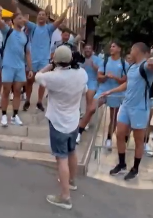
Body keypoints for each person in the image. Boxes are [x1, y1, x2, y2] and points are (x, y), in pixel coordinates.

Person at [35, 46, 88, 210]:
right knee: (72, 152)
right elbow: (85, 90)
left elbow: (38, 76)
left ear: (56, 60)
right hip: (73, 121)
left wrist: (50, 65)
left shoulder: (53, 77)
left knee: (61, 158)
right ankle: (71, 181)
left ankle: (65, 197)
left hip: (58, 122)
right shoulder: (82, 74)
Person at [100, 42, 153, 181]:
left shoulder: (145, 66)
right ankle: (122, 164)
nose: (130, 51)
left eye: (132, 49)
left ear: (137, 50)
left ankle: (135, 169)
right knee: (120, 134)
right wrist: (111, 91)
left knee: (139, 140)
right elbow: (128, 84)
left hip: (139, 108)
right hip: (126, 106)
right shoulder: (132, 67)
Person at [12, 0, 71, 112]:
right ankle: (28, 100)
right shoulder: (33, 27)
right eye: (39, 14)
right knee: (29, 81)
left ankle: (39, 101)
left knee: (43, 82)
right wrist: (16, 6)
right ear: (37, 17)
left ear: (46, 17)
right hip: (33, 60)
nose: (41, 16)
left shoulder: (49, 28)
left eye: (43, 15)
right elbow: (21, 18)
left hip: (44, 60)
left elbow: (60, 19)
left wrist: (67, 8)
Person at [0, 0, 33, 126]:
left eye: (22, 18)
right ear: (14, 21)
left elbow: (28, 53)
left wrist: (30, 69)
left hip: (20, 67)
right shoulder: (7, 31)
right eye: (19, 18)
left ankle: (15, 115)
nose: (22, 19)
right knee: (6, 91)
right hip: (8, 66)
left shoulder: (25, 36)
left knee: (18, 91)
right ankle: (4, 115)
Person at [77, 42, 128, 146]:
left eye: (114, 46)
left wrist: (115, 78)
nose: (111, 48)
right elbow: (99, 77)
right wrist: (105, 77)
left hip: (116, 93)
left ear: (119, 49)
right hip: (102, 91)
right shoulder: (105, 61)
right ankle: (79, 132)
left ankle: (109, 139)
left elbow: (125, 80)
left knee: (113, 116)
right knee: (91, 109)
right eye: (111, 46)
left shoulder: (124, 64)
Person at [76, 44, 101, 140]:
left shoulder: (96, 59)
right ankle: (79, 118)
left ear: (92, 50)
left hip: (92, 81)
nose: (87, 50)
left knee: (89, 100)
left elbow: (100, 70)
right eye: (86, 49)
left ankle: (86, 121)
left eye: (89, 49)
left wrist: (94, 66)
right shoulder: (80, 58)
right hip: (81, 81)